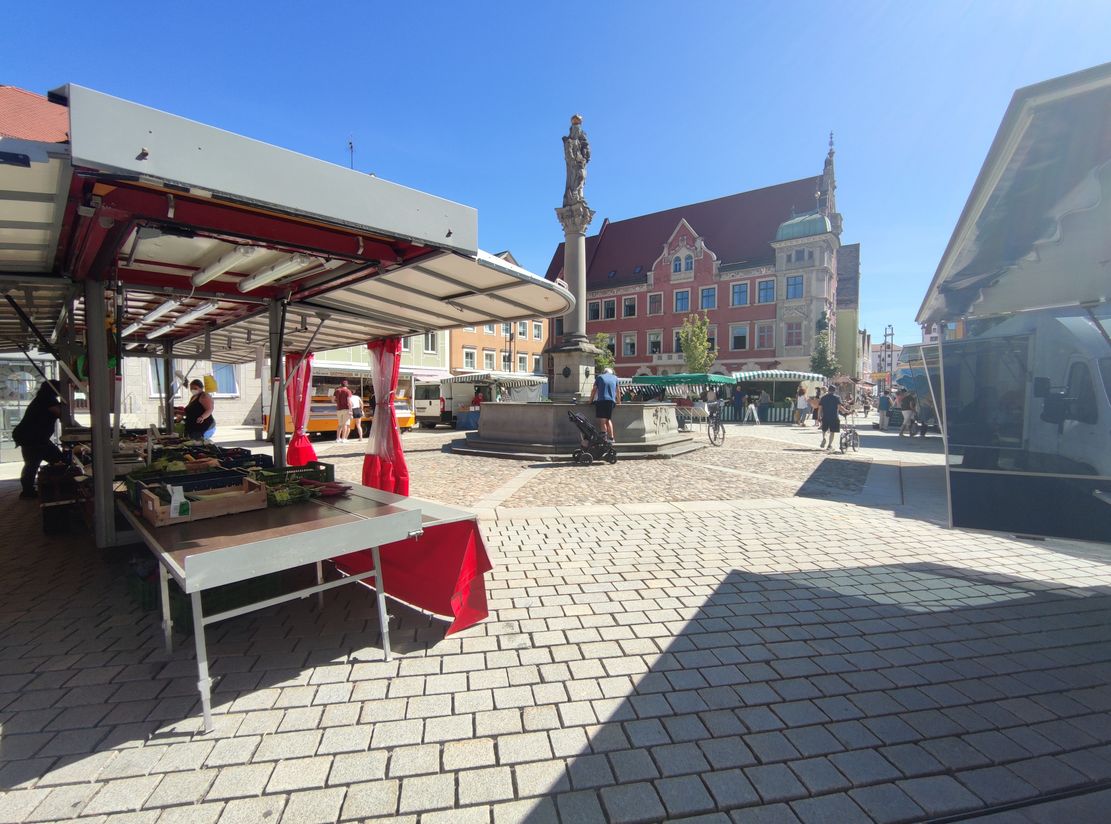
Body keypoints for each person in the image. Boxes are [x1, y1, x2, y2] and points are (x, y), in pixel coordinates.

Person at [13, 382, 67, 499]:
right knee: (33, 464)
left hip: (35, 438)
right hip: (32, 438)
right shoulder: (47, 399)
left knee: (55, 460)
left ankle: (44, 485)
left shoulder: (43, 398)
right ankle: (27, 492)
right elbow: (62, 415)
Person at [589, 366, 620, 442]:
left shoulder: (599, 377)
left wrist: (590, 400)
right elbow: (618, 391)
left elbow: (594, 390)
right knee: (608, 419)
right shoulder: (615, 378)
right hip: (611, 402)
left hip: (602, 401)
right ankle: (611, 438)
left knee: (603, 421)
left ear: (604, 372)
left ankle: (604, 439)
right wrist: (619, 401)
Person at [817, 385, 847, 452]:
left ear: (828, 390)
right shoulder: (837, 397)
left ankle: (824, 438)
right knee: (832, 432)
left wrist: (818, 417)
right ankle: (829, 445)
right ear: (834, 390)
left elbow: (820, 408)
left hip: (825, 416)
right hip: (834, 417)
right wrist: (846, 411)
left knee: (824, 429)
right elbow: (839, 407)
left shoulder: (823, 397)